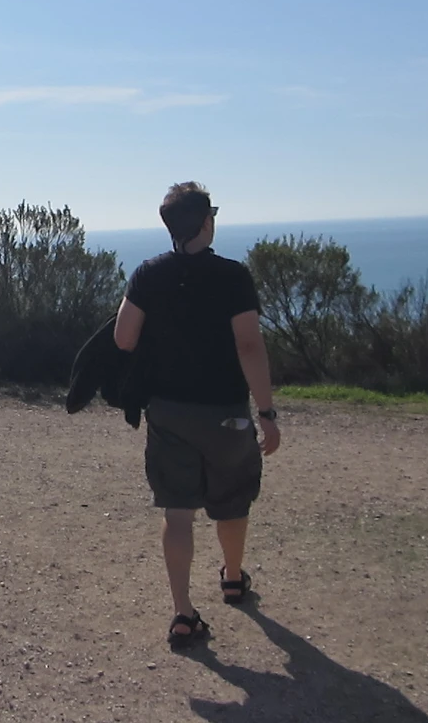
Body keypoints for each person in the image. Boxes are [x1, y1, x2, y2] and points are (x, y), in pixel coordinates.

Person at [112, 182, 281, 649]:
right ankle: (232, 578)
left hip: (168, 411)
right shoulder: (233, 277)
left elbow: (124, 338)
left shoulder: (148, 274)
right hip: (226, 411)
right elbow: (249, 346)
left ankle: (184, 615)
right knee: (232, 501)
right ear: (207, 222)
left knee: (178, 511)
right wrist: (266, 412)